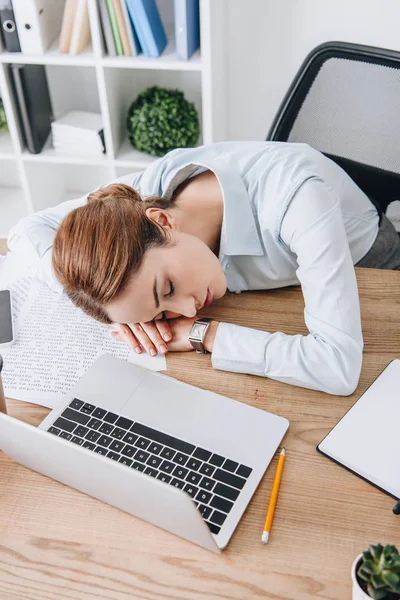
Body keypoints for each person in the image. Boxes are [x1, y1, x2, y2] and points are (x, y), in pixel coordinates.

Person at [8, 141, 400, 396]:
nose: (189, 310)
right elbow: (25, 230)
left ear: (162, 221)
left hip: (374, 268)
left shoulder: (298, 199)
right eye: (162, 313)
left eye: (168, 288)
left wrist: (205, 334)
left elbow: (338, 367)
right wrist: (110, 305)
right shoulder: (138, 204)